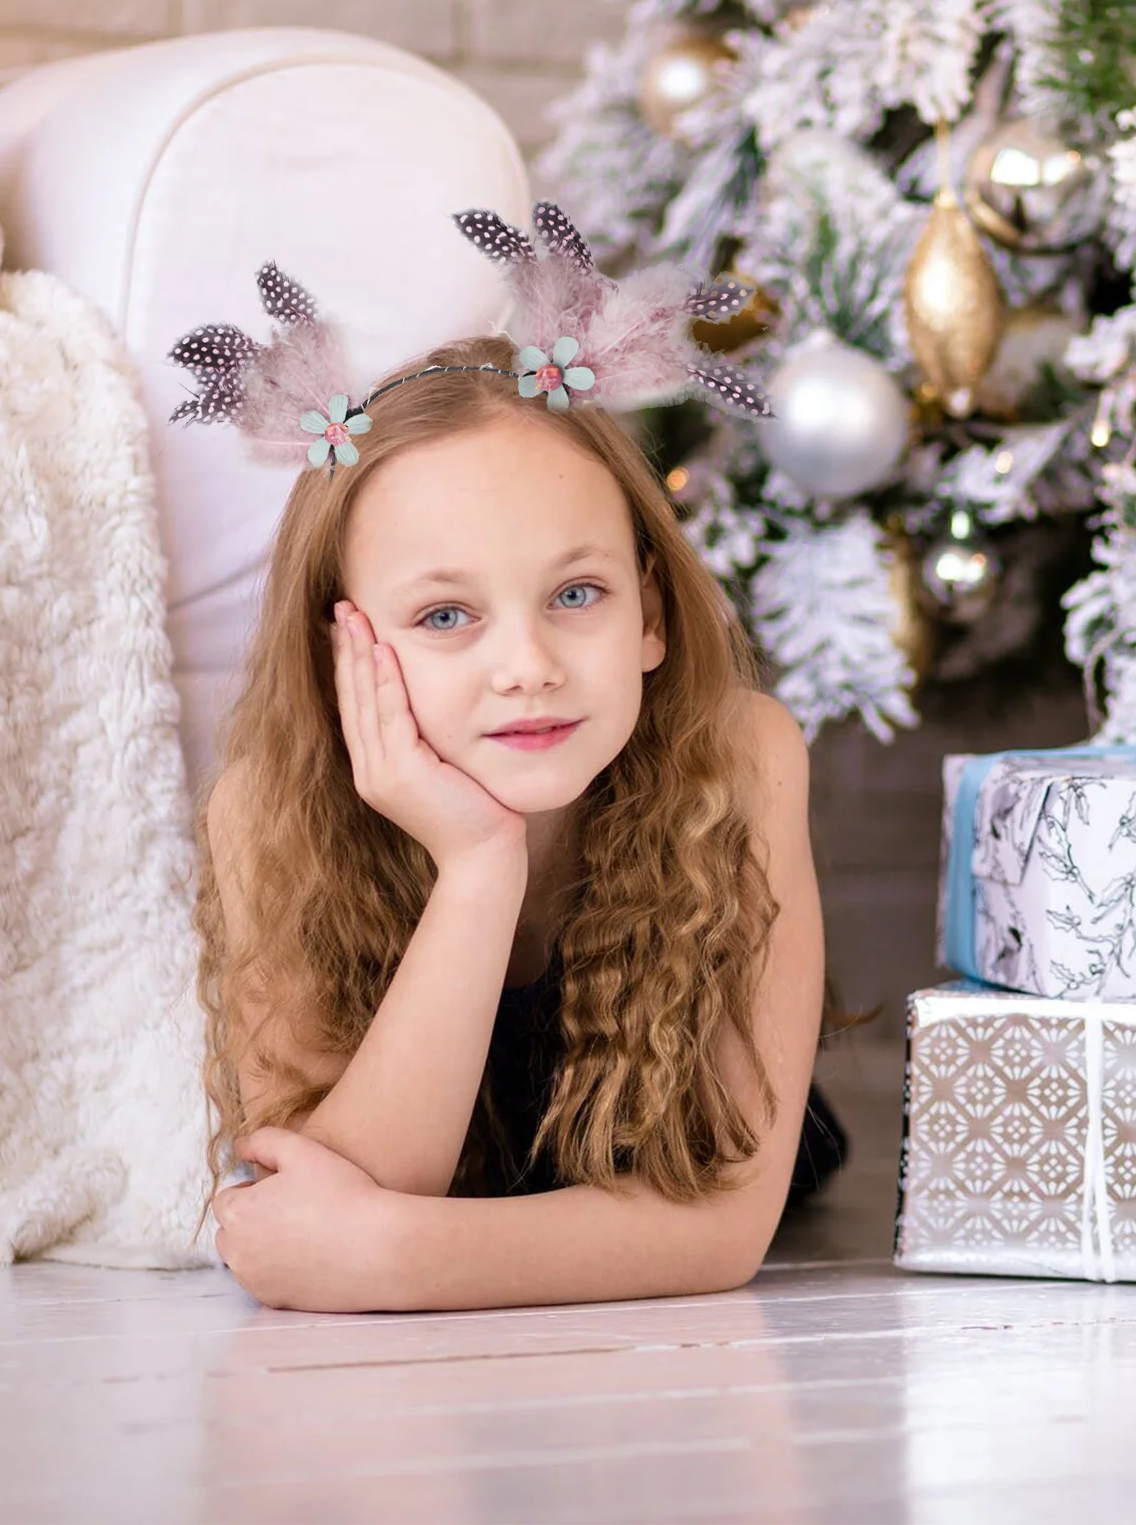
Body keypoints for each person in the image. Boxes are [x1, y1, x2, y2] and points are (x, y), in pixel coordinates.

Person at [178, 203, 848, 1314]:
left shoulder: (739, 752)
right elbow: (327, 1195)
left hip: (680, 1146)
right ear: (340, 644)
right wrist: (478, 866)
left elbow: (722, 1224)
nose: (527, 665)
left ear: (649, 615)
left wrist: (392, 1257)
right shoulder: (269, 808)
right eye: (446, 617)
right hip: (484, 1175)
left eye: (576, 595)